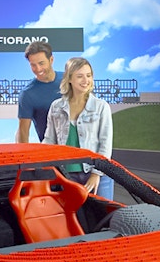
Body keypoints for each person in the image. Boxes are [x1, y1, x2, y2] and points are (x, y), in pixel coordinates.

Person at [43, 56, 114, 199]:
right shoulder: (56, 107)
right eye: (80, 76)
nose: (85, 80)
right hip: (66, 176)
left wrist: (96, 174)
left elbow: (105, 144)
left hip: (98, 175)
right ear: (69, 79)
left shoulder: (101, 107)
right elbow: (49, 140)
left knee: (101, 218)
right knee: (73, 218)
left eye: (88, 75)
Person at [16, 41, 61, 143]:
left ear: (51, 60)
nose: (38, 69)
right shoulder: (27, 94)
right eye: (33, 65)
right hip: (51, 152)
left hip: (81, 148)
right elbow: (23, 132)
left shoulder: (69, 79)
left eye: (41, 63)